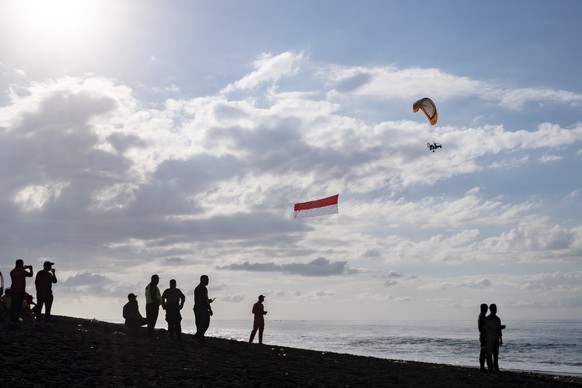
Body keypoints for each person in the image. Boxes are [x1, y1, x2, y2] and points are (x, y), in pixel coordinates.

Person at [9, 259, 33, 323]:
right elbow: (31, 274)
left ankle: (12, 318)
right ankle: (16, 319)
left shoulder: (12, 271)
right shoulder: (23, 272)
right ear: (21, 264)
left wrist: (23, 268)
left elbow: (18, 271)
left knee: (13, 305)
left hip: (13, 290)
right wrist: (30, 269)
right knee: (18, 305)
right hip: (20, 290)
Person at [193, 275, 214, 343]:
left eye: (208, 280)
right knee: (205, 323)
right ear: (202, 280)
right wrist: (209, 308)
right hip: (201, 309)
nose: (208, 281)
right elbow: (204, 300)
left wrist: (208, 301)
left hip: (198, 308)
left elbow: (203, 299)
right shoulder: (202, 288)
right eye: (206, 280)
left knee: (200, 324)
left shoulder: (198, 288)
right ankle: (197, 336)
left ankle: (200, 338)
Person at [486, 304, 506, 372]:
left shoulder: (497, 318)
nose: (496, 310)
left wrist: (501, 339)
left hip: (496, 338)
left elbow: (499, 330)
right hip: (490, 339)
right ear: (490, 309)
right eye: (494, 308)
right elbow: (488, 329)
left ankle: (496, 367)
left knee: (496, 354)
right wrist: (499, 328)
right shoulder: (488, 319)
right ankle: (491, 367)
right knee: (490, 354)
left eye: (496, 308)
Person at [477, 303, 489, 372]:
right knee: (483, 351)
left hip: (483, 335)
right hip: (484, 336)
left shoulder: (482, 316)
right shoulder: (482, 317)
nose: (487, 310)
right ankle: (482, 367)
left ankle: (482, 366)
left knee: (483, 351)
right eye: (486, 308)